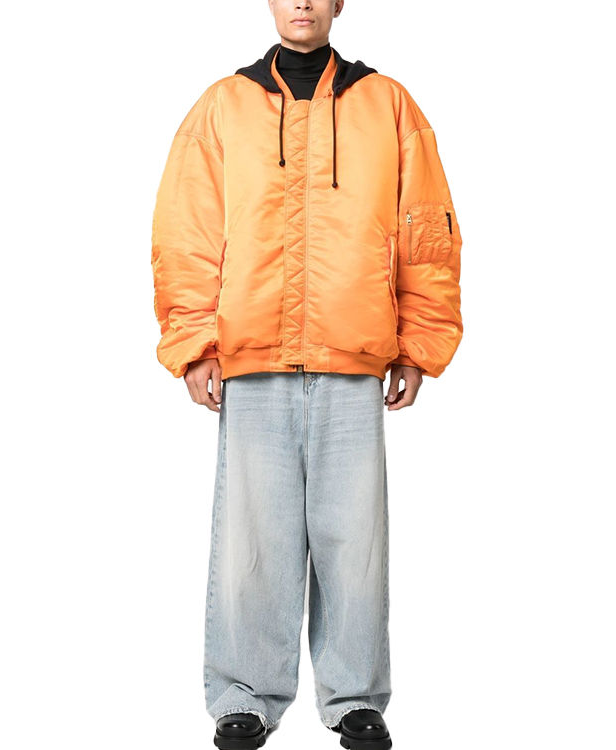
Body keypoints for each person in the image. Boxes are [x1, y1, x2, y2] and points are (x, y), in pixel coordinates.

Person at [150, 2, 463, 748]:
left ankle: (354, 697)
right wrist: (193, 342)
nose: (302, 2)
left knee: (355, 541)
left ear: (338, 2)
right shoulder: (222, 106)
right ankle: (244, 696)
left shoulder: (388, 104)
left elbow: (426, 228)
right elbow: (186, 231)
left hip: (353, 356)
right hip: (252, 355)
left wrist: (418, 345)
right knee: (252, 541)